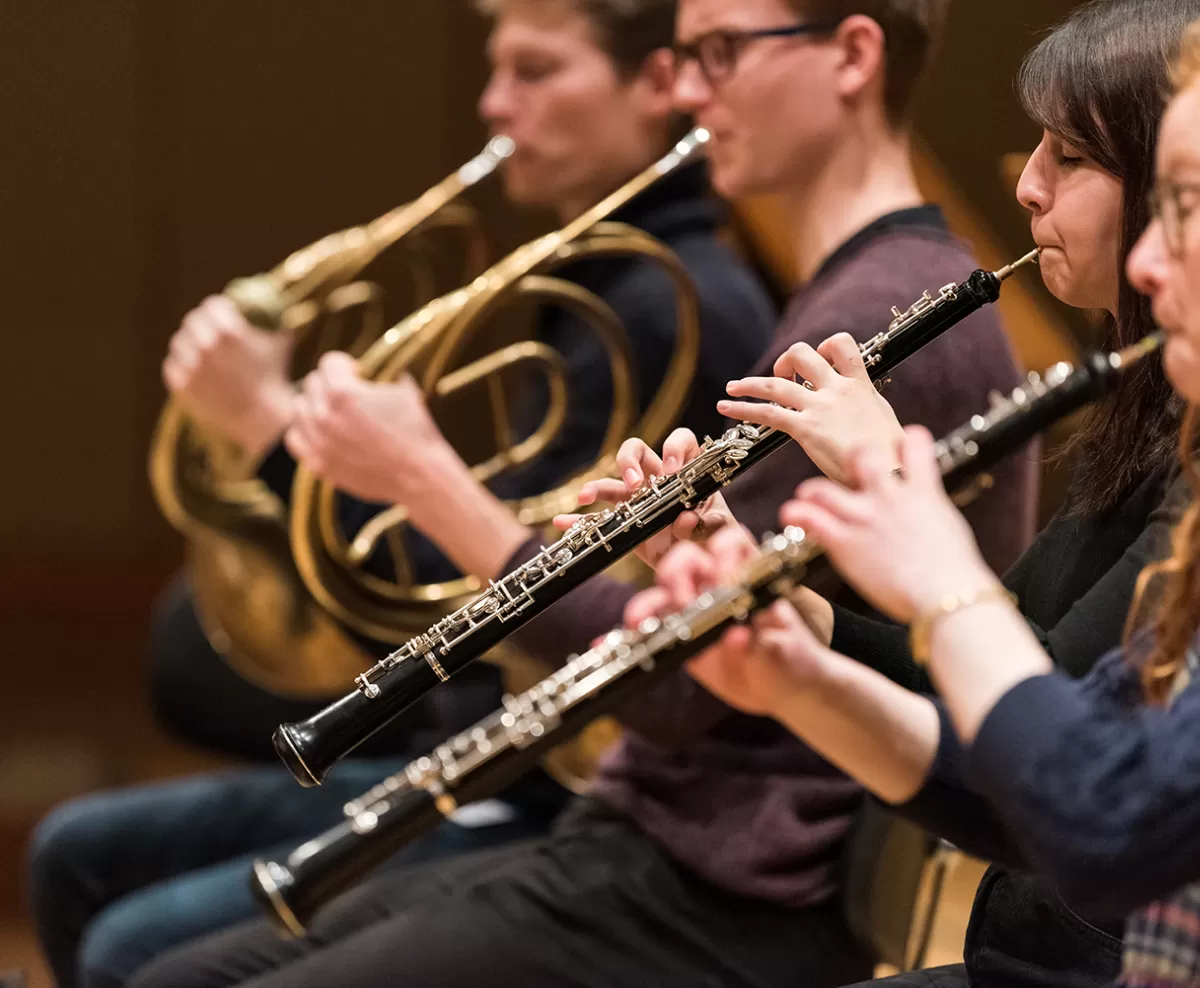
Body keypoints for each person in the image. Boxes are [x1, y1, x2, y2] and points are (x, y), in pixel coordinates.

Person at [127, 2, 1033, 987]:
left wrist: (430, 482)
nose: (686, 89)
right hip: (661, 835)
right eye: (686, 56)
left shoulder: (877, 319)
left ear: (852, 55)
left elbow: (689, 686)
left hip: (726, 885)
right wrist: (674, 547)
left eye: (720, 53)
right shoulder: (849, 293)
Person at [26, 3, 776, 988]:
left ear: (654, 86)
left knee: (136, 939)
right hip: (484, 737)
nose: (493, 102)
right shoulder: (604, 283)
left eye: (536, 71)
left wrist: (273, 433)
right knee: (81, 839)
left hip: (546, 783)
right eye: (494, 68)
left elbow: (510, 600)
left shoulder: (666, 299)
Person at [648, 4, 1200, 984]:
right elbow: (1037, 780)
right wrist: (799, 668)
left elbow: (1100, 816)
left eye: (1186, 203)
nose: (1143, 261)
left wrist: (930, 557)